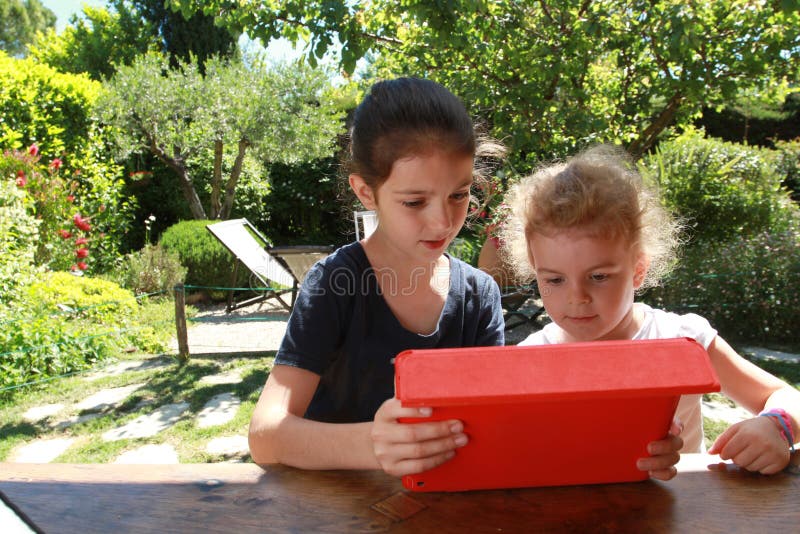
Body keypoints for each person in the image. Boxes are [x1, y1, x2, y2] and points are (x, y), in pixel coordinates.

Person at [248, 77, 506, 477]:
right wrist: (373, 444)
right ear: (366, 192)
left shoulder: (479, 295)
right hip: (338, 509)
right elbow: (265, 435)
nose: (443, 221)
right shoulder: (334, 283)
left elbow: (496, 422)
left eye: (459, 194)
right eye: (415, 201)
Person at [500, 145, 800, 476]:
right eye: (555, 279)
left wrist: (776, 426)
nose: (577, 297)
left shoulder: (683, 341)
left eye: (599, 277)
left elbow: (782, 394)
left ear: (638, 268)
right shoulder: (528, 362)